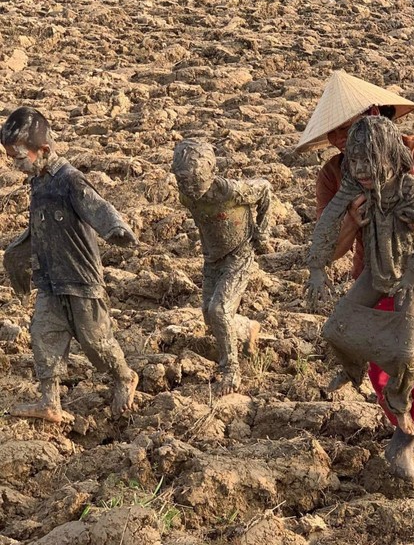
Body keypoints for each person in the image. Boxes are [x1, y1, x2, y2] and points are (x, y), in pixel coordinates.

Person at [296, 70, 414, 480]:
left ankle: (410, 435)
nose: (340, 143)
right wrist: (352, 221)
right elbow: (328, 240)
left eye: (345, 130)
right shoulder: (338, 176)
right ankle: (404, 419)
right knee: (377, 364)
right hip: (375, 271)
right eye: (334, 136)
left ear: (374, 115)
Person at [1, 107, 139, 423]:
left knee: (95, 340)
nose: (15, 164)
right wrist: (16, 254)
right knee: (43, 334)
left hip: (80, 279)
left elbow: (98, 206)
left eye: (19, 158)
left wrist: (115, 228)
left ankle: (124, 376)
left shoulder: (70, 181)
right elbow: (39, 226)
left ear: (44, 151)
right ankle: (51, 403)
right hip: (50, 279)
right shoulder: (38, 182)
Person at [171, 139, 272, 396]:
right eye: (182, 181)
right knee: (209, 314)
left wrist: (263, 232)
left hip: (239, 255)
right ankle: (247, 328)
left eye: (194, 181)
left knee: (219, 309)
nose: (188, 188)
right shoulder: (187, 197)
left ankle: (232, 370)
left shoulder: (231, 192)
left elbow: (264, 189)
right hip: (213, 259)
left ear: (209, 174)